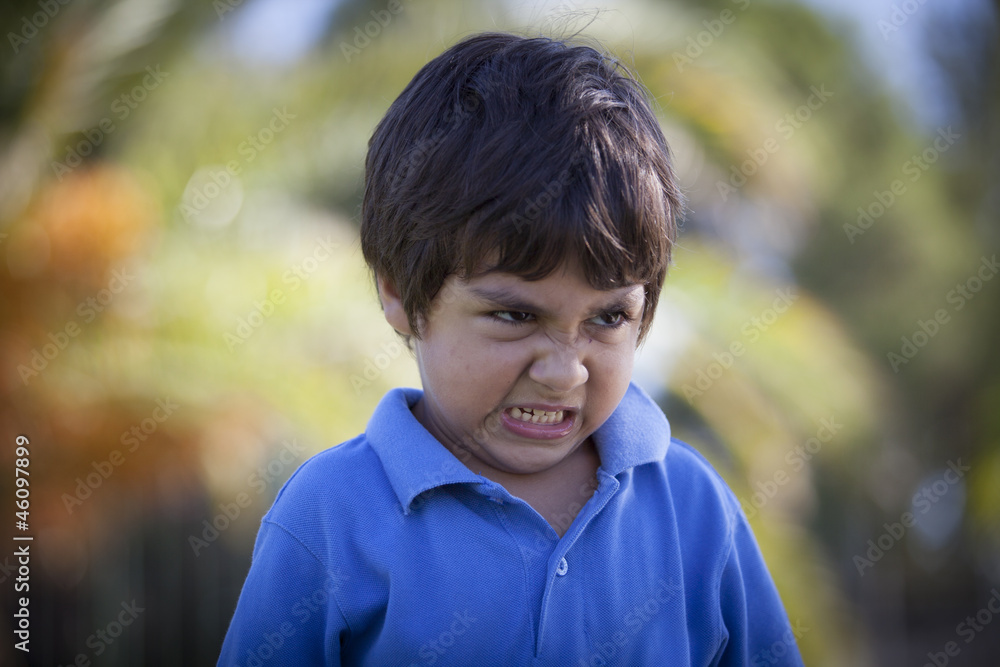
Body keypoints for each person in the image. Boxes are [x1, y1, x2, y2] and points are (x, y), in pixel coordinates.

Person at [219, 31, 804, 666]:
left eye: (608, 317)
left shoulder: (692, 508)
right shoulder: (332, 516)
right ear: (399, 292)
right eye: (515, 315)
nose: (564, 371)